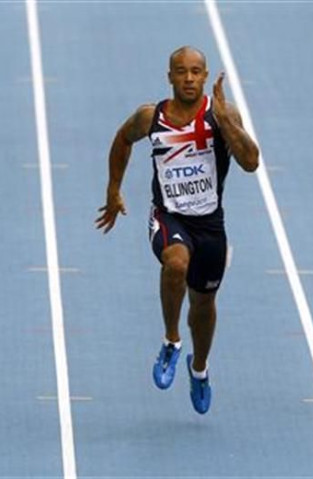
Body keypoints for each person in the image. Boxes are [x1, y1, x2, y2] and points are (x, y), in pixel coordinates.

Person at [95, 46, 259, 414]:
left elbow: (251, 162)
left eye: (196, 72)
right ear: (169, 75)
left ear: (205, 76)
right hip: (169, 216)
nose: (188, 78)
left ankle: (199, 369)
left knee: (204, 304)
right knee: (175, 264)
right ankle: (171, 342)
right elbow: (122, 140)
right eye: (181, 71)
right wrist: (113, 190)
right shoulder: (150, 117)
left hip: (210, 224)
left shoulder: (222, 116)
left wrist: (226, 120)